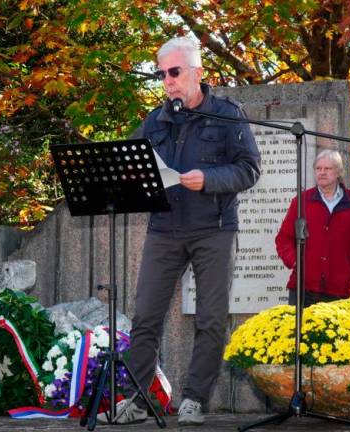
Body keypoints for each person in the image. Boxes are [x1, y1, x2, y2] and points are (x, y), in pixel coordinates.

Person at [100, 37, 261, 425]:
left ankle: (194, 399)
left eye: (174, 72)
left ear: (197, 72)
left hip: (214, 229)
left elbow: (249, 169)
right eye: (162, 74)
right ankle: (138, 400)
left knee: (209, 318)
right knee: (146, 317)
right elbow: (129, 163)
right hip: (164, 228)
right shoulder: (156, 120)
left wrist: (206, 178)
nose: (168, 81)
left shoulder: (227, 114)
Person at [275, 149, 350, 307]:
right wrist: (295, 262)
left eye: (327, 169)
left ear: (338, 172)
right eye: (318, 169)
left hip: (340, 289)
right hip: (303, 287)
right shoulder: (302, 201)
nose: (322, 173)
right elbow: (284, 239)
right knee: (297, 332)